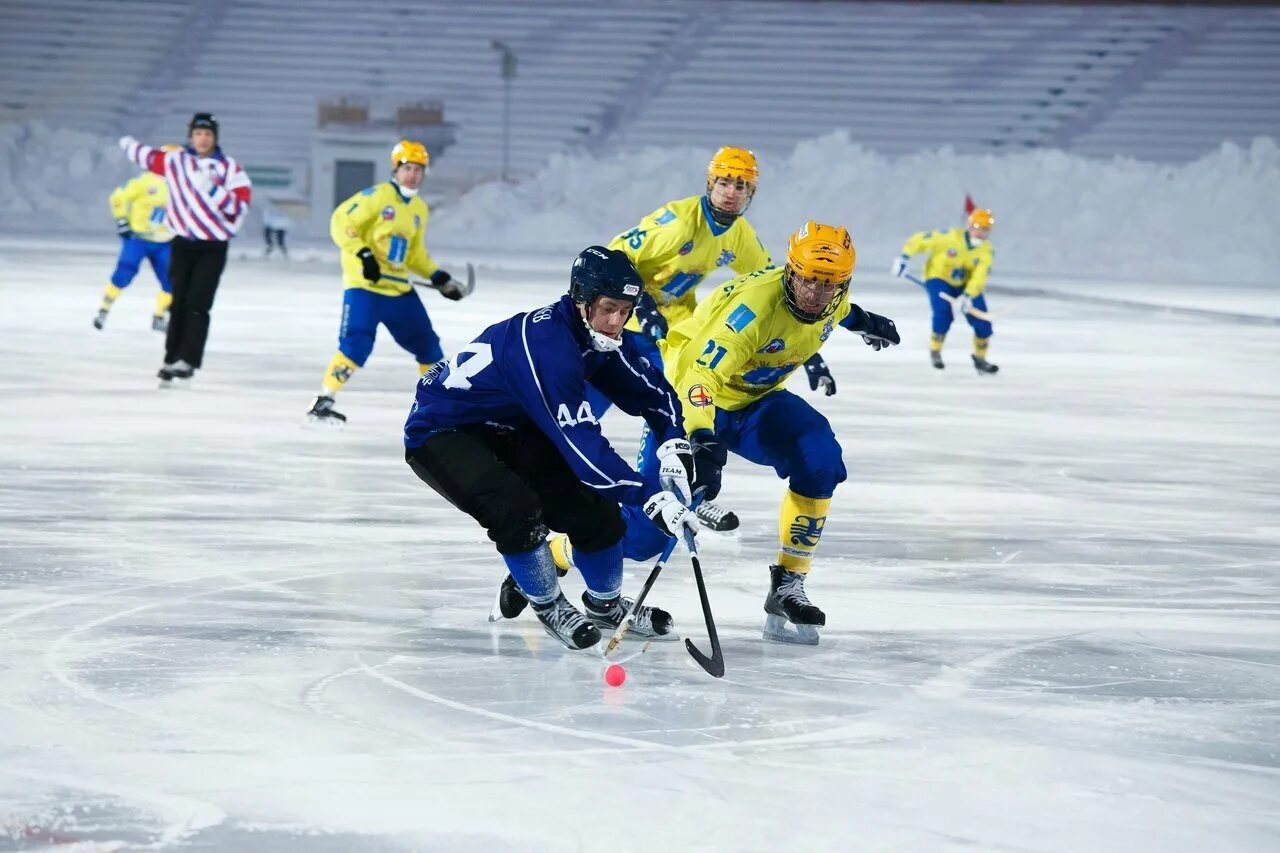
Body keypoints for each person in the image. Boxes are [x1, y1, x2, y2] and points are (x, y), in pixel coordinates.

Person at [558, 222, 900, 646]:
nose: (815, 294)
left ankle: (787, 584)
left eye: (828, 285)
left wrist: (864, 320)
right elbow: (699, 375)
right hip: (691, 400)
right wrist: (701, 438)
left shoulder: (831, 295)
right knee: (646, 535)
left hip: (754, 401)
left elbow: (839, 308)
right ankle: (559, 553)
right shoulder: (753, 310)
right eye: (807, 280)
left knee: (820, 456)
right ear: (790, 271)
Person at [402, 246, 699, 651]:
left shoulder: (599, 337)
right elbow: (583, 453)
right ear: (581, 300)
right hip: (442, 430)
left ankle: (605, 604)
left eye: (626, 310)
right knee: (514, 507)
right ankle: (548, 603)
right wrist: (649, 496)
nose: (616, 322)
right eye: (608, 308)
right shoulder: (549, 347)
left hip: (507, 426)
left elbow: (653, 395)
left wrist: (673, 444)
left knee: (595, 511)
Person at [597, 146, 822, 533]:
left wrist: (809, 340)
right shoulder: (679, 223)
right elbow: (612, 254)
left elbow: (775, 283)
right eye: (723, 182)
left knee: (681, 399)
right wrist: (643, 303)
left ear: (751, 193)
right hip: (625, 327)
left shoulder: (739, 234)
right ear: (709, 183)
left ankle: (680, 491)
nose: (731, 192)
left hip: (673, 331)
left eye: (741, 185)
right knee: (587, 404)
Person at [307, 140, 467, 426]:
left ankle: (439, 402)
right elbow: (341, 221)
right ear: (396, 169)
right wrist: (364, 254)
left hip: (398, 290)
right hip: (365, 288)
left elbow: (415, 253)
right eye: (407, 168)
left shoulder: (419, 209)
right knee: (356, 344)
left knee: (428, 346)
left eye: (418, 169)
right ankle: (324, 399)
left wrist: (438, 277)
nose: (413, 174)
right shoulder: (378, 196)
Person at [119, 113, 253, 387]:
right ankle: (171, 358)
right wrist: (124, 141)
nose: (202, 139)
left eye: (207, 134)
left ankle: (188, 361)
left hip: (212, 246)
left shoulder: (230, 169)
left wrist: (212, 190)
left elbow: (239, 207)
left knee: (198, 303)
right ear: (191, 136)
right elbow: (148, 157)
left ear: (215, 137)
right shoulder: (176, 161)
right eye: (198, 134)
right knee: (177, 300)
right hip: (181, 243)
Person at [892, 208, 998, 374]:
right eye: (978, 227)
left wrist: (969, 295)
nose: (980, 232)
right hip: (938, 279)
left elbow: (980, 276)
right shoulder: (948, 237)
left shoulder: (986, 251)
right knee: (942, 314)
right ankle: (935, 350)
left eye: (985, 229)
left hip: (965, 285)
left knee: (982, 322)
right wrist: (904, 257)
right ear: (970, 225)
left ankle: (980, 358)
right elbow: (921, 240)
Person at [94, 155, 178, 332]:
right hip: (138, 238)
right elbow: (118, 196)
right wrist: (122, 220)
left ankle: (159, 315)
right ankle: (104, 308)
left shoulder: (184, 184)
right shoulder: (146, 181)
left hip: (164, 241)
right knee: (124, 273)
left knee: (172, 280)